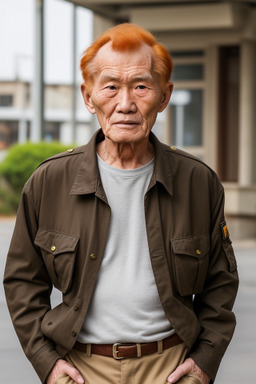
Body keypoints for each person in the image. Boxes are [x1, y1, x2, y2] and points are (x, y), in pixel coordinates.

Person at [4, 23, 238, 384]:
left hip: (172, 366)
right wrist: (46, 362)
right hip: (81, 367)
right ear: (88, 96)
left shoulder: (198, 182)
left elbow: (221, 283)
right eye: (111, 86)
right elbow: (22, 281)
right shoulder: (50, 182)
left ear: (164, 96)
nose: (125, 104)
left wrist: (204, 362)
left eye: (141, 86)